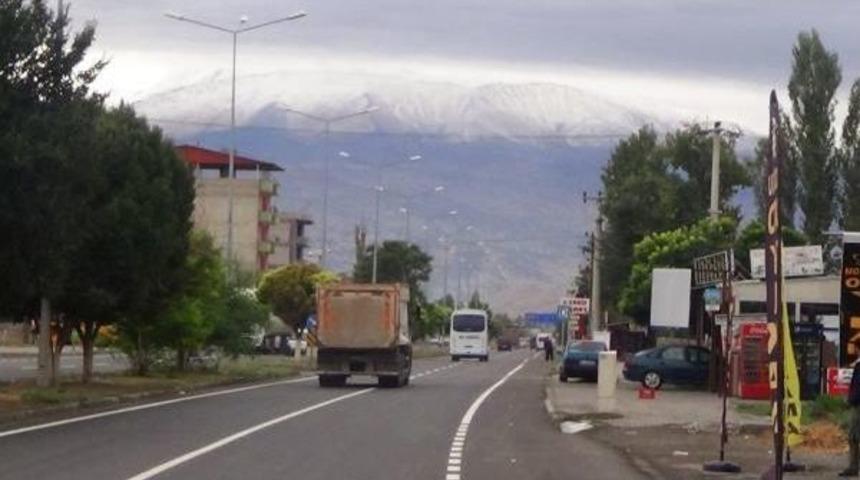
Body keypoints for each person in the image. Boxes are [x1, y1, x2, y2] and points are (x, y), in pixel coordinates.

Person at [840, 349, 860, 477]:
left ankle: (853, 467)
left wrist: (851, 399)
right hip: (856, 403)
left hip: (857, 405)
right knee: (853, 436)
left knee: (853, 436)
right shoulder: (858, 365)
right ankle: (853, 466)